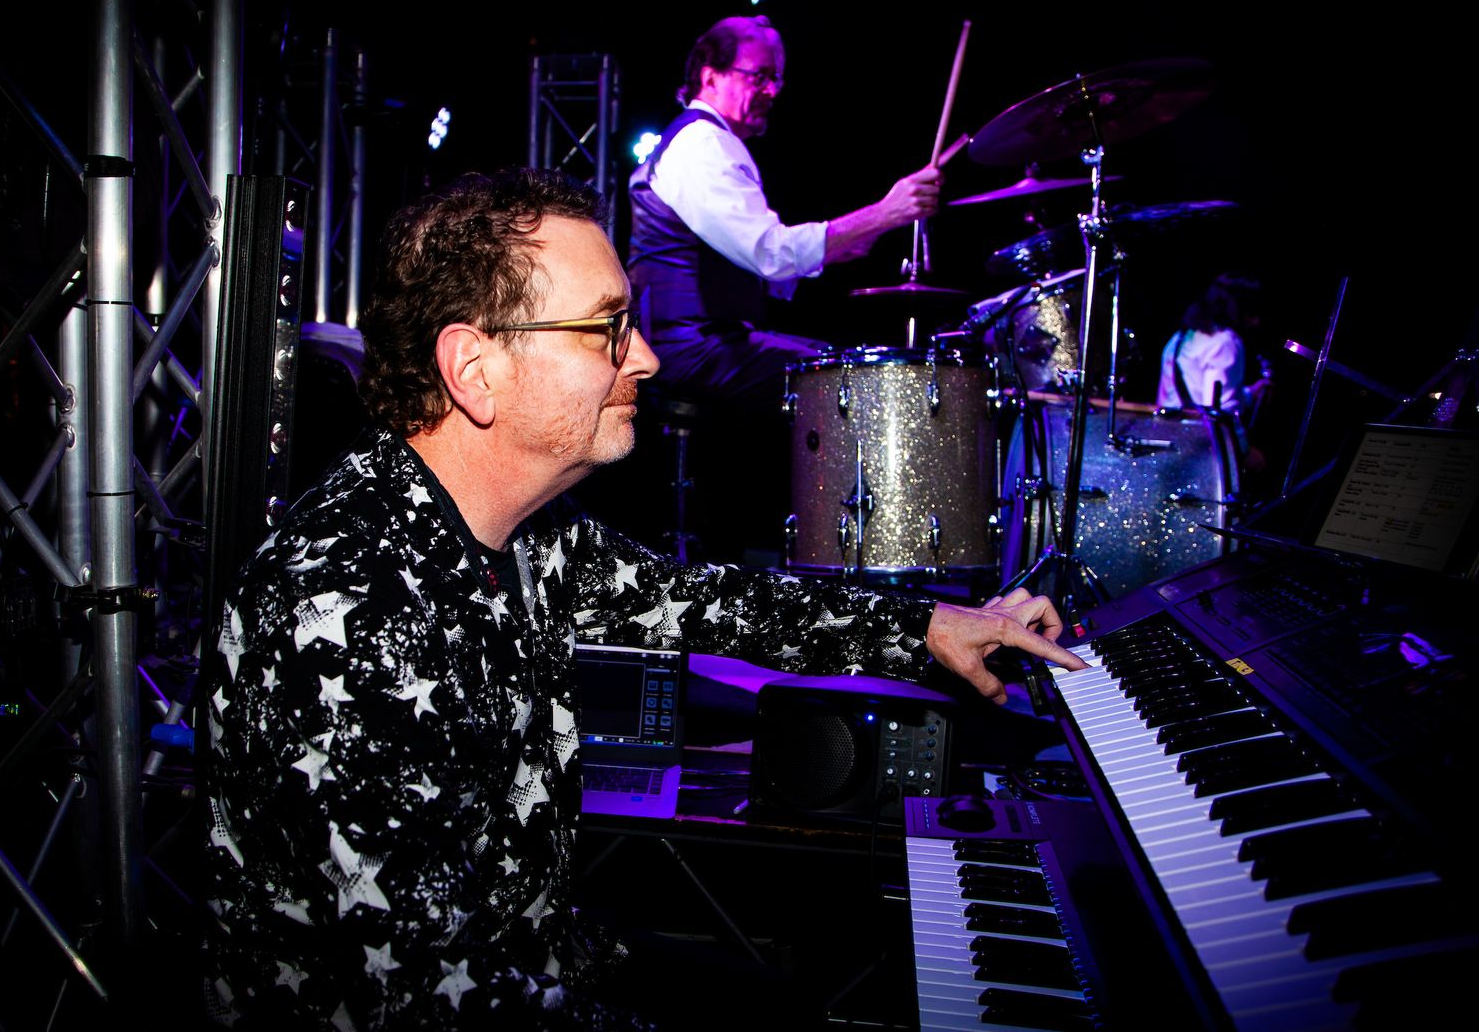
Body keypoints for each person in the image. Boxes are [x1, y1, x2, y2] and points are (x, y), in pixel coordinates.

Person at [201, 168, 1083, 1029]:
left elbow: (703, 602)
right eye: (607, 329)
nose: (649, 358)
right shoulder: (341, 610)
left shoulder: (531, 531)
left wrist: (929, 624)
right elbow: (430, 995)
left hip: (540, 953)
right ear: (474, 368)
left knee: (788, 1001)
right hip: (449, 998)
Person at [620, 16, 951, 562]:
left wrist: (847, 239)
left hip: (696, 340)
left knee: (829, 365)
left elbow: (758, 264)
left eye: (777, 78)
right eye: (759, 76)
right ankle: (844, 554)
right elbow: (770, 253)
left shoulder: (704, 142)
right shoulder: (702, 145)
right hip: (688, 347)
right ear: (711, 75)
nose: (772, 90)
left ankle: (812, 547)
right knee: (844, 377)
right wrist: (886, 213)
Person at [1156, 272, 1270, 468]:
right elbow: (1219, 412)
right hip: (1199, 454)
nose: (1257, 321)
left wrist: (1249, 394)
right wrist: (1242, 451)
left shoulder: (1179, 338)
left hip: (1167, 442)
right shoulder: (1225, 342)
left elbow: (1192, 394)